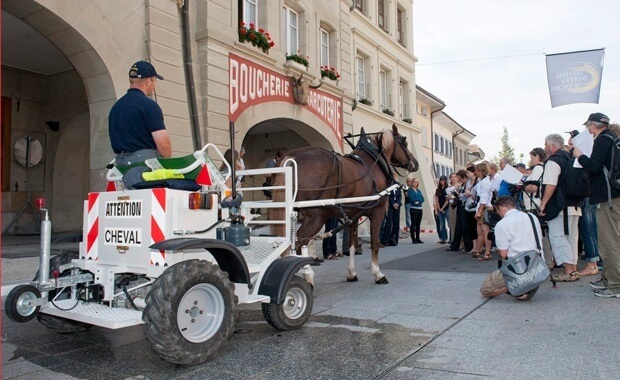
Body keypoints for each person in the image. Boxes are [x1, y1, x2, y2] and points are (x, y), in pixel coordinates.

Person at [573, 112, 620, 297]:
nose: (588, 131)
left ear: (594, 126)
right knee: (611, 241)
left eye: (588, 127)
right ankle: (608, 279)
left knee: (610, 243)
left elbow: (593, 166)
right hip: (613, 196)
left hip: (607, 198)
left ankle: (615, 285)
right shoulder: (614, 139)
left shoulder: (603, 140)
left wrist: (580, 156)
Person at [479, 196, 544, 301]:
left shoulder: (502, 224)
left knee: (485, 290)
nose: (498, 214)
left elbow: (503, 254)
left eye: (497, 211)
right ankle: (529, 282)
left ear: (502, 207)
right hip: (537, 263)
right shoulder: (532, 216)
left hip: (519, 267)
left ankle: (522, 284)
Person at [109, 60, 171, 166]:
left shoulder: (116, 107)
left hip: (122, 163)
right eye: (155, 81)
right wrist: (168, 159)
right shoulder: (149, 106)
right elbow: (163, 144)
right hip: (145, 163)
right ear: (149, 81)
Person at [539, 134, 581, 282]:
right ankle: (573, 269)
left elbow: (551, 184)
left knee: (558, 237)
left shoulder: (553, 161)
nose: (545, 148)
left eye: (545, 145)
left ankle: (568, 270)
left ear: (552, 146)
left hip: (559, 206)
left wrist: (543, 204)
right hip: (574, 205)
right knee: (572, 238)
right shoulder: (572, 159)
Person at [472, 162, 493, 260]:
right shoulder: (482, 181)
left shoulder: (485, 182)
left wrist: (479, 211)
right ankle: (477, 250)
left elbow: (484, 199)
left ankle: (487, 252)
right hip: (481, 207)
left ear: (480, 171)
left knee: (485, 231)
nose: (475, 172)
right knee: (480, 232)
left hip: (484, 208)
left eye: (476, 170)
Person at [447, 170, 468, 252]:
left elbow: (460, 196)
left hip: (459, 205)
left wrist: (456, 196)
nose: (453, 178)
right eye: (451, 177)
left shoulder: (460, 186)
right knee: (453, 224)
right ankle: (455, 242)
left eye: (455, 177)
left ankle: (461, 244)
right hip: (453, 205)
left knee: (460, 225)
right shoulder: (449, 187)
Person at [380, 173, 402, 246]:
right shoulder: (388, 186)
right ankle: (386, 240)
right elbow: (388, 196)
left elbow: (400, 196)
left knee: (396, 222)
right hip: (390, 206)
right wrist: (393, 204)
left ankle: (394, 240)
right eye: (393, 177)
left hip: (397, 206)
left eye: (395, 176)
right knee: (389, 222)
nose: (395, 178)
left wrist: (397, 203)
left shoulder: (398, 186)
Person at [463, 165, 478, 253]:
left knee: (477, 228)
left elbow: (479, 195)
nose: (467, 174)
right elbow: (465, 192)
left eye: (468, 172)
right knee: (471, 228)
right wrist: (466, 193)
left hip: (476, 207)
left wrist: (471, 194)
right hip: (468, 206)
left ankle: (478, 247)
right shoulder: (468, 182)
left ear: (473, 172)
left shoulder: (478, 182)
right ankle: (474, 246)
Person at [408, 178, 425, 244]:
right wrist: (418, 199)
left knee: (418, 224)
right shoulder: (410, 190)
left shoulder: (418, 190)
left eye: (416, 182)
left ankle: (418, 238)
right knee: (413, 224)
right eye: (414, 182)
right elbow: (411, 199)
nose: (415, 183)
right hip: (413, 208)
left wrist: (418, 200)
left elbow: (423, 199)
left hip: (420, 208)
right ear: (412, 183)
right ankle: (413, 239)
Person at [433, 175, 449, 244]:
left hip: (446, 208)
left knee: (449, 224)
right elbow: (437, 199)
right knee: (442, 224)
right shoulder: (438, 190)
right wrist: (439, 208)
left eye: (443, 180)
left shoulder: (448, 189)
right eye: (441, 180)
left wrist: (442, 208)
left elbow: (447, 199)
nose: (442, 181)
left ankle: (450, 238)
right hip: (440, 208)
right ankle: (443, 238)